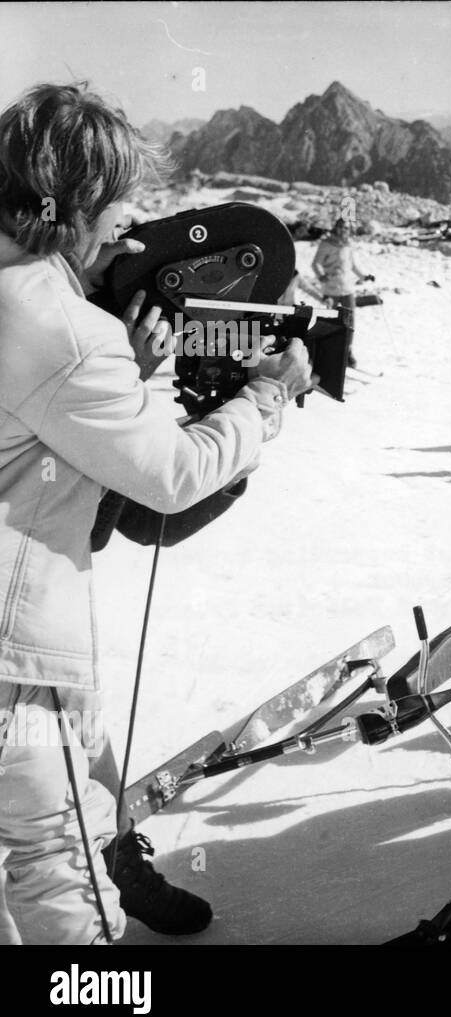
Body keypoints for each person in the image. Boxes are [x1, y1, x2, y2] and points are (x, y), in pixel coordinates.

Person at [0, 82, 312, 944]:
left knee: (78, 807)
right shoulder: (63, 328)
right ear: (73, 202)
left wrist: (130, 377)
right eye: (118, 201)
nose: (129, 227)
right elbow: (172, 477)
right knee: (56, 871)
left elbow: (41, 435)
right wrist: (268, 396)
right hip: (16, 654)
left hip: (26, 638)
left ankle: (126, 871)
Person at [312, 218, 370, 369]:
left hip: (347, 288)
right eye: (341, 227)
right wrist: (321, 275)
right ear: (335, 228)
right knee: (329, 321)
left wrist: (364, 276)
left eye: (346, 228)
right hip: (331, 288)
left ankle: (347, 352)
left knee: (350, 322)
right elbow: (316, 263)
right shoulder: (327, 244)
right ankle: (323, 351)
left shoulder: (349, 245)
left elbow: (354, 266)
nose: (343, 230)